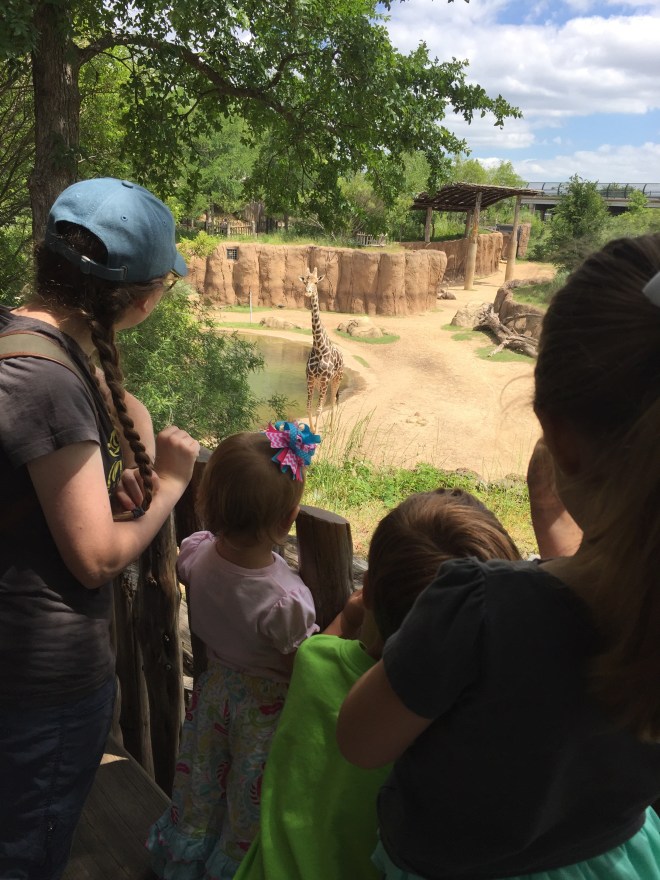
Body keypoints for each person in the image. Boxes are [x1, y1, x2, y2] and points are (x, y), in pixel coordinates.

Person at [337, 233, 660, 880]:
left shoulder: (478, 609)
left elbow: (360, 741)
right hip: (617, 860)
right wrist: (553, 527)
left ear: (557, 436)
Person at [0, 177, 200, 880]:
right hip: (36, 689)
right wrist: (169, 486)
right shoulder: (47, 382)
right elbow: (94, 558)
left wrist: (108, 487)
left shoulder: (16, 335)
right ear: (141, 300)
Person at [235, 487, 521, 880]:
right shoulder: (467, 731)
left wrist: (349, 618)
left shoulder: (316, 662)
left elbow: (323, 651)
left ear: (367, 590)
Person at [147, 422, 325, 880]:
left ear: (205, 501)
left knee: (202, 788)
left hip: (214, 697)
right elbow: (303, 664)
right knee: (247, 805)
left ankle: (184, 862)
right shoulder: (284, 599)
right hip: (263, 716)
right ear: (288, 520)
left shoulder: (196, 555)